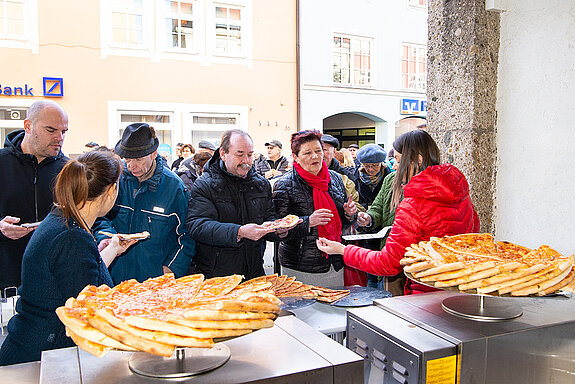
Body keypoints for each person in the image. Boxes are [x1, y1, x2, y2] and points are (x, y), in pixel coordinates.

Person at [0, 151, 134, 365]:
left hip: (29, 346)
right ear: (111, 190)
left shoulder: (61, 219)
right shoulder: (72, 237)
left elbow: (81, 279)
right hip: (40, 357)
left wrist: (112, 249)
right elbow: (90, 310)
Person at [317, 130, 480, 295]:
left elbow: (387, 263)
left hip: (426, 292)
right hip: (461, 287)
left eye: (398, 160)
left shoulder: (413, 205)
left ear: (418, 160)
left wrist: (343, 250)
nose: (394, 166)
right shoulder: (460, 193)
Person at [94, 123, 194, 284]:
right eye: (127, 159)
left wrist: (170, 270)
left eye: (138, 159)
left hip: (153, 283)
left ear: (154, 153)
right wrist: (105, 237)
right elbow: (98, 218)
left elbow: (187, 236)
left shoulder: (175, 188)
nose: (131, 166)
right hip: (113, 278)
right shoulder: (115, 180)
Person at [186, 129, 293, 279]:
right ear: (223, 154)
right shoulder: (205, 184)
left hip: (254, 272)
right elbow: (197, 225)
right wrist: (238, 232)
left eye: (249, 155)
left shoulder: (261, 184)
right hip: (217, 277)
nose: (246, 161)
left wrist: (278, 231)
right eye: (240, 154)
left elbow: (269, 218)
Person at [0, 100, 69, 295]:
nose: (59, 138)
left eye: (64, 132)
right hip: (7, 285)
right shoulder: (2, 163)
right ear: (28, 126)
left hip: (54, 283)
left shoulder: (69, 170)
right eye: (51, 130)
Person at [273, 130, 358, 287]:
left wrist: (349, 214)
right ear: (295, 157)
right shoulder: (284, 185)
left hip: (335, 261)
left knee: (334, 308)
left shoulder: (335, 179)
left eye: (319, 151)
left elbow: (344, 223)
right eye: (307, 153)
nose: (315, 156)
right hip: (301, 265)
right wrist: (308, 222)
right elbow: (277, 230)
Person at [354, 144, 390, 210]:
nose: (371, 169)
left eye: (375, 165)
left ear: (381, 163)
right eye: (366, 166)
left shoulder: (389, 178)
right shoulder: (354, 178)